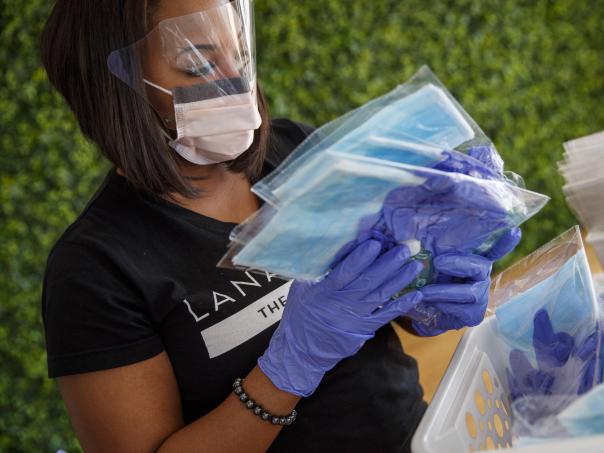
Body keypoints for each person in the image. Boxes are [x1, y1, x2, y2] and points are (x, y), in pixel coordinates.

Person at [40, 0, 519, 451]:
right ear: (115, 88)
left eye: (239, 53)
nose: (235, 78)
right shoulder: (94, 269)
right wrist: (289, 369)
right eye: (197, 64)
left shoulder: (293, 153)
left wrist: (427, 288)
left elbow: (379, 309)